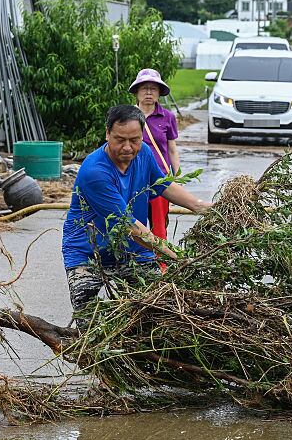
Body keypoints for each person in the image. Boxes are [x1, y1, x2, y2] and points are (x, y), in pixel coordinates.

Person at [62, 104, 210, 311]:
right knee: (90, 323)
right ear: (107, 134)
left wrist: (201, 207)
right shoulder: (94, 172)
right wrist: (176, 256)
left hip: (134, 251)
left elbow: (163, 185)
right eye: (120, 140)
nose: (128, 148)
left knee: (155, 312)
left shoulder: (144, 154)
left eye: (134, 140)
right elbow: (128, 226)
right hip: (88, 253)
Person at [129, 69, 180, 241]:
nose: (149, 92)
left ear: (159, 93)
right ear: (137, 92)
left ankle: (162, 265)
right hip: (132, 178)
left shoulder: (168, 117)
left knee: (159, 227)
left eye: (153, 89)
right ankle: (136, 262)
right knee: (133, 224)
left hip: (160, 179)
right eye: (144, 88)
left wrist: (176, 179)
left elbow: (172, 149)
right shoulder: (126, 116)